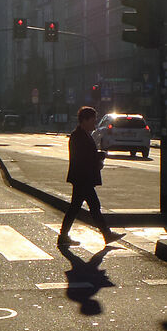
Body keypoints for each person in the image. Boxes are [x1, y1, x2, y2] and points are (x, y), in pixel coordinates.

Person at [59, 106, 119, 249]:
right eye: (93, 120)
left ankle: (63, 236)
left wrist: (97, 158)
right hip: (82, 177)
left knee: (76, 207)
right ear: (84, 120)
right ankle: (107, 234)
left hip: (82, 177)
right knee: (93, 207)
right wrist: (100, 156)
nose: (94, 123)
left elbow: (87, 154)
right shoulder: (78, 136)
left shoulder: (84, 134)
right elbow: (84, 156)